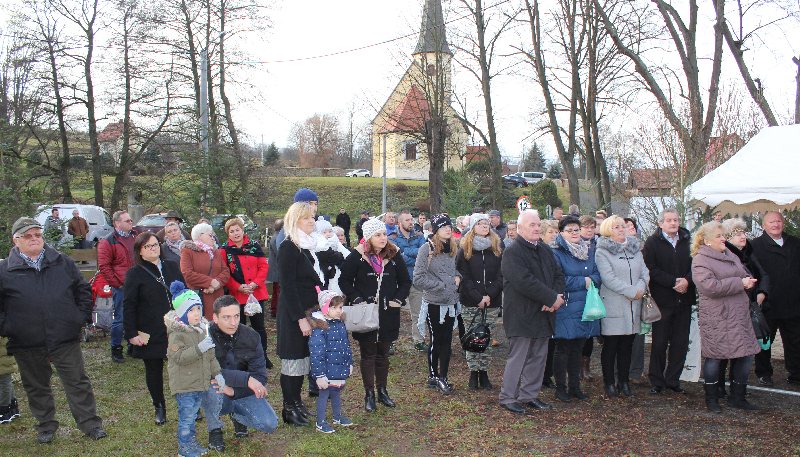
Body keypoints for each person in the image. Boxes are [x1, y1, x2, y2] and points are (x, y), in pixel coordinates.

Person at [0, 217, 106, 443]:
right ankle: (46, 426)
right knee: (36, 386)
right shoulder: (4, 270)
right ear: (16, 240)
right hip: (26, 341)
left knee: (77, 382)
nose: (34, 239)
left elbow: (82, 290)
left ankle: (90, 424)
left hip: (64, 337)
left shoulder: (62, 262)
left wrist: (79, 318)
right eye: (28, 236)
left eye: (37, 234)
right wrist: (8, 327)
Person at [340, 218, 410, 410]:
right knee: (368, 354)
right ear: (368, 237)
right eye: (378, 235)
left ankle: (382, 391)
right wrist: (356, 298)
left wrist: (398, 299)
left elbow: (405, 281)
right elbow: (344, 281)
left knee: (383, 354)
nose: (382, 238)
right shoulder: (357, 256)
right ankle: (369, 394)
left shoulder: (394, 254)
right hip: (365, 313)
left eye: (384, 234)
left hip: (388, 312)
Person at [498, 210, 564, 414]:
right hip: (522, 314)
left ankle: (529, 395)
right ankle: (508, 397)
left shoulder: (544, 249)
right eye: (531, 225)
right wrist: (550, 298)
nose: (536, 228)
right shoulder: (512, 252)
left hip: (544, 312)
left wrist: (555, 297)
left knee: (538, 357)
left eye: (537, 224)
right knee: (518, 357)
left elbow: (558, 275)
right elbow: (524, 281)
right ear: (519, 229)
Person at [691, 222, 761, 412]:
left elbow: (744, 273)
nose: (723, 239)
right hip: (718, 317)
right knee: (715, 357)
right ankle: (712, 399)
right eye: (718, 236)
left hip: (739, 314)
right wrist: (740, 283)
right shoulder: (700, 260)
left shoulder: (730, 254)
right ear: (706, 241)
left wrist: (749, 281)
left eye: (723, 235)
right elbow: (710, 287)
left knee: (745, 355)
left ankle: (737, 397)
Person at [124, 231, 184, 425]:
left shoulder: (172, 266)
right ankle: (159, 407)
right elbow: (129, 305)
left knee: (182, 366)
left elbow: (183, 294)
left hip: (176, 327)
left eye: (155, 244)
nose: (153, 248)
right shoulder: (135, 273)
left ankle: (188, 404)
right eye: (148, 246)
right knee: (153, 369)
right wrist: (131, 333)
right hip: (150, 329)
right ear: (140, 251)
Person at [206, 296, 278, 451]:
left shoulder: (251, 336)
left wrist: (234, 391)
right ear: (215, 318)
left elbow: (260, 376)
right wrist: (247, 379)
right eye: (226, 317)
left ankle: (237, 416)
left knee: (269, 424)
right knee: (211, 386)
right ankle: (214, 430)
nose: (233, 323)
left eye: (236, 316)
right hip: (217, 388)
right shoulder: (204, 336)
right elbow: (206, 370)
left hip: (242, 390)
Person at [276, 202, 324, 426]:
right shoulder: (289, 247)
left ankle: (297, 403)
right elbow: (288, 286)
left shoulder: (306, 246)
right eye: (306, 218)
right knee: (293, 361)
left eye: (313, 217)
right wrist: (300, 319)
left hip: (309, 311)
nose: (312, 221)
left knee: (303, 359)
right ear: (295, 221)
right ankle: (289, 408)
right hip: (294, 314)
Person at [164, 281, 224, 457]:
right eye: (191, 310)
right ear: (182, 313)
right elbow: (178, 357)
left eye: (198, 308)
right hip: (185, 385)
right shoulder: (177, 334)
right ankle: (184, 448)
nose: (197, 313)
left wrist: (217, 374)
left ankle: (191, 444)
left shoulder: (202, 329)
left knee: (191, 416)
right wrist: (199, 349)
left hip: (199, 382)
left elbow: (210, 355)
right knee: (187, 417)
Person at [643, 208, 695, 394]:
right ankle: (657, 381)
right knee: (659, 343)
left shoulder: (688, 240)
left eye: (676, 220)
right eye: (669, 220)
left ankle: (673, 380)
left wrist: (687, 280)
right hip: (663, 299)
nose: (673, 223)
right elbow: (650, 268)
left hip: (684, 298)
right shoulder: (652, 242)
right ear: (660, 223)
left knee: (680, 343)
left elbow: (696, 265)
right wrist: (673, 282)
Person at [596, 216, 649, 398]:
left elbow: (644, 273)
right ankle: (609, 382)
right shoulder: (602, 251)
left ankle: (624, 382)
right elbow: (608, 278)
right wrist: (631, 291)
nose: (621, 229)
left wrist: (640, 288)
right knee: (611, 346)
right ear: (607, 230)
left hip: (634, 304)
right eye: (616, 227)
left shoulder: (635, 249)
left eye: (622, 226)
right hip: (614, 304)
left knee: (627, 345)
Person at [551, 216, 601, 401]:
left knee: (578, 348)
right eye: (569, 230)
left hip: (585, 306)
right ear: (561, 232)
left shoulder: (589, 251)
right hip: (566, 306)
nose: (574, 233)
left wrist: (591, 280)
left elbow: (597, 275)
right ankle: (560, 388)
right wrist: (584, 281)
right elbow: (558, 279)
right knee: (563, 348)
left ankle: (574, 387)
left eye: (576, 230)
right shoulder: (556, 253)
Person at [719, 218, 769, 397]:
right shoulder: (724, 255)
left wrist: (762, 292)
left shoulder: (748, 252)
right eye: (738, 233)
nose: (743, 236)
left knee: (743, 350)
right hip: (729, 309)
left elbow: (763, 274)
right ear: (728, 237)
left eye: (744, 232)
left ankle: (737, 387)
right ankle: (718, 387)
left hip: (748, 307)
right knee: (725, 350)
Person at [751, 211, 800, 386]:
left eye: (778, 221)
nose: (775, 224)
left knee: (795, 341)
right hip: (768, 303)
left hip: (793, 302)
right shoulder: (755, 246)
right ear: (764, 225)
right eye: (771, 222)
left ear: (783, 223)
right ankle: (764, 373)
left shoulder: (795, 243)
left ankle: (796, 373)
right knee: (765, 341)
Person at [413, 214, 460, 395]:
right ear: (435, 230)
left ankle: (444, 377)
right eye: (443, 227)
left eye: (449, 226)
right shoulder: (427, 249)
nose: (448, 229)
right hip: (434, 302)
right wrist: (441, 285)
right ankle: (433, 375)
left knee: (447, 341)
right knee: (437, 340)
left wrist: (458, 278)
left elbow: (458, 269)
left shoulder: (454, 247)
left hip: (451, 301)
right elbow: (418, 278)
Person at [456, 213, 503, 390]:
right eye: (480, 223)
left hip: (492, 300)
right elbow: (463, 275)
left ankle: (483, 372)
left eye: (486, 223)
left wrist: (489, 294)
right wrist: (477, 297)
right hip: (470, 301)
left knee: (486, 337)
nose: (484, 226)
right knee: (472, 336)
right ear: (473, 227)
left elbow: (501, 274)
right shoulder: (465, 249)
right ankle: (473, 372)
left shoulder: (497, 247)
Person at [221, 217, 272, 369]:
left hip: (256, 293)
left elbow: (263, 266)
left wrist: (255, 283)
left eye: (237, 230)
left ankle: (263, 355)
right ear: (228, 234)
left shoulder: (254, 246)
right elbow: (224, 273)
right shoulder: (224, 250)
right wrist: (238, 287)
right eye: (232, 231)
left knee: (259, 327)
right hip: (237, 294)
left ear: (242, 230)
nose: (235, 233)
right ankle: (241, 359)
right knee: (238, 327)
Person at [308, 290, 354, 433]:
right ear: (324, 308)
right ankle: (320, 422)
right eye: (334, 307)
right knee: (324, 394)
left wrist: (349, 363)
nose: (338, 310)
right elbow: (316, 353)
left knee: (336, 392)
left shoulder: (339, 323)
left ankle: (337, 416)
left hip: (338, 367)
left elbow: (346, 345)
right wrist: (320, 375)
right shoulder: (320, 328)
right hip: (326, 370)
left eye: (340, 307)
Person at [98, 210, 137, 363]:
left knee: (136, 316)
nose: (131, 223)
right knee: (120, 318)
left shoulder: (136, 237)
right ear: (117, 223)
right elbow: (104, 267)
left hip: (136, 284)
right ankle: (116, 348)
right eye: (127, 221)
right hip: (121, 286)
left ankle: (133, 345)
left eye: (131, 220)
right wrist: (117, 284)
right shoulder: (108, 241)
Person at [180, 223, 230, 320]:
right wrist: (210, 282)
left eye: (213, 235)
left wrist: (217, 283)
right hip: (199, 298)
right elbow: (187, 273)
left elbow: (226, 271)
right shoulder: (187, 251)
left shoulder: (215, 252)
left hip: (218, 298)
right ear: (200, 236)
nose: (213, 238)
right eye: (210, 235)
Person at [394, 210, 428, 352]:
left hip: (416, 279)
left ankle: (418, 340)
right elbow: (396, 258)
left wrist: (404, 252)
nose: (411, 222)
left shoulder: (419, 236)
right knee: (392, 312)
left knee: (418, 312)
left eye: (411, 219)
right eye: (407, 220)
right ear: (400, 222)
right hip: (399, 280)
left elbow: (424, 254)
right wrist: (414, 255)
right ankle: (390, 341)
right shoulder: (393, 237)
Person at [0, 336, 20, 424]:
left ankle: (4, 410)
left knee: (4, 383)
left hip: (3, 358)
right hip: (4, 357)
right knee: (6, 382)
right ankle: (12, 407)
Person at [267, 219, 284, 319]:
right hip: (277, 270)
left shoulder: (276, 236)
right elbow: (281, 253)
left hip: (275, 269)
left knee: (276, 291)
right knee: (278, 292)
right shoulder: (278, 238)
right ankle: (276, 311)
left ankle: (275, 310)